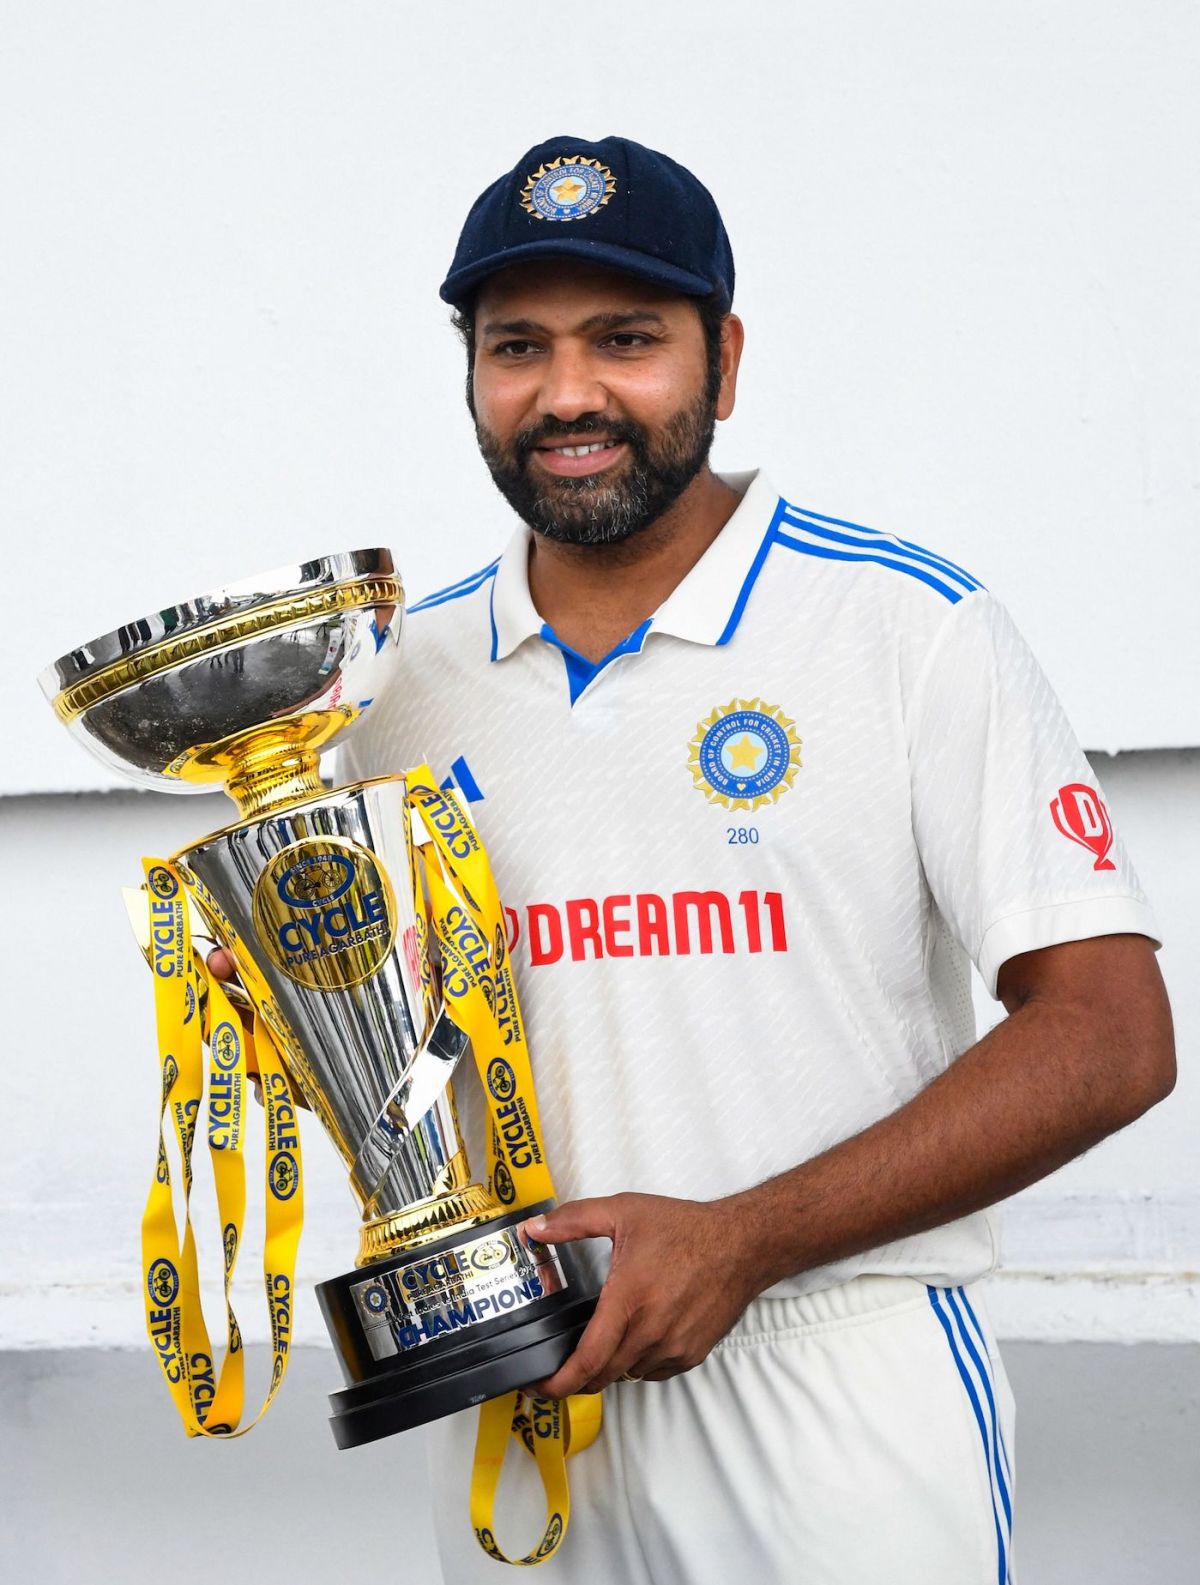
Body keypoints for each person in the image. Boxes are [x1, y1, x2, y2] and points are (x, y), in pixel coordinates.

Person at [323, 136, 1179, 1581]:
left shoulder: (904, 625)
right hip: (530, 1396)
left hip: (838, 1376)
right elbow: (407, 1063)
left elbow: (1112, 1033)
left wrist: (747, 1237)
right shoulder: (395, 685)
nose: (570, 393)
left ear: (723, 352)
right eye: (517, 345)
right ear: (469, 369)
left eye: (627, 339)